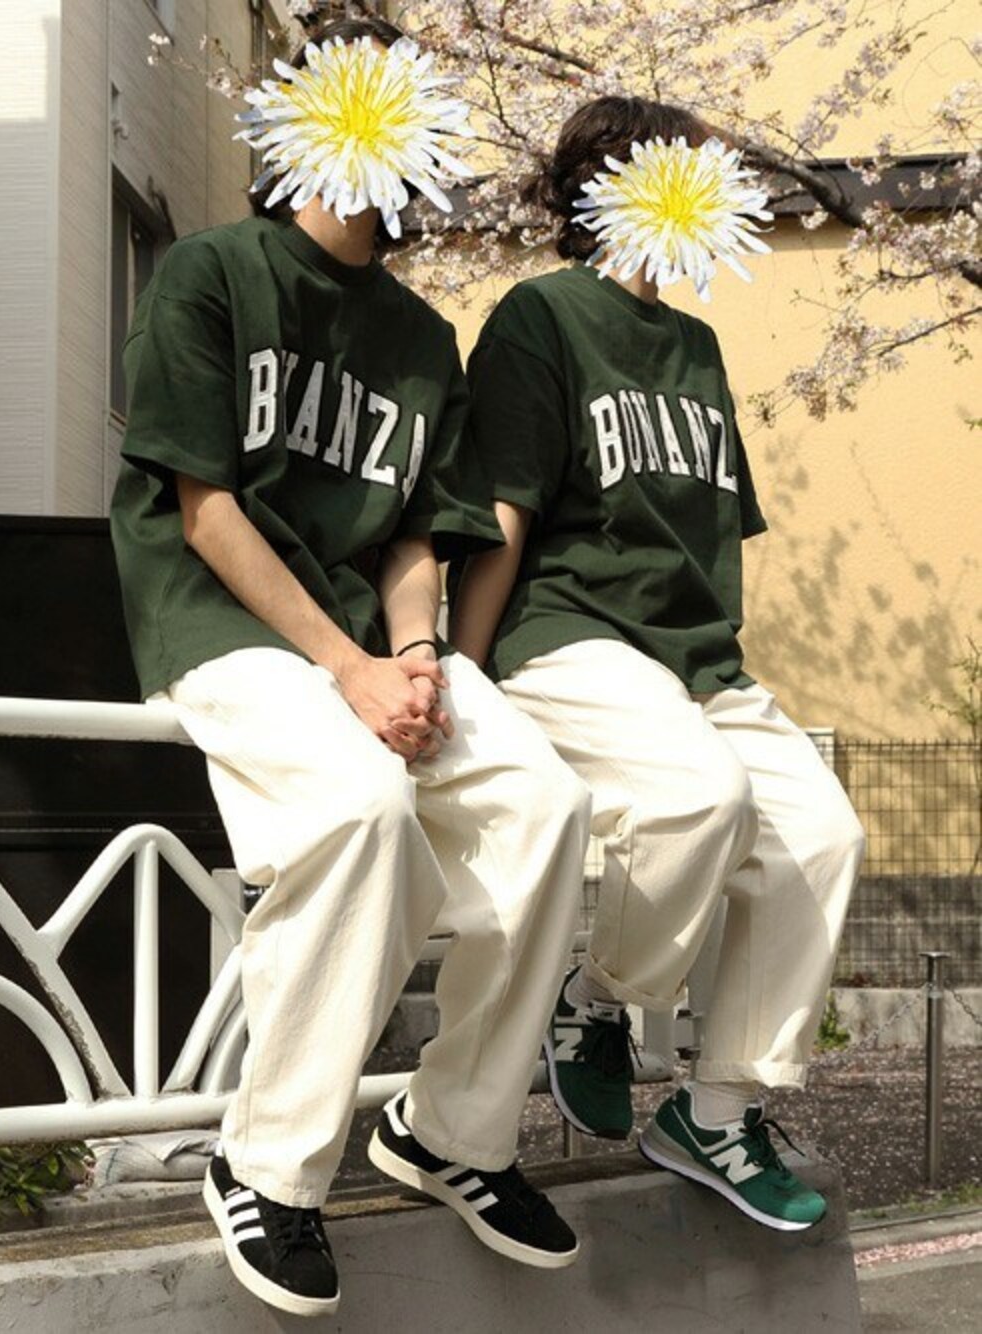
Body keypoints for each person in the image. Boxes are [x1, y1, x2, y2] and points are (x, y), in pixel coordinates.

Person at [110, 18, 590, 1318]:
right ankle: (266, 1164)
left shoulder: (422, 340)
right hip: (222, 620)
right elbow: (205, 511)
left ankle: (450, 1129)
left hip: (366, 639)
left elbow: (411, 537)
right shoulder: (211, 273)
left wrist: (418, 659)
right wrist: (349, 669)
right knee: (366, 812)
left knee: (547, 804)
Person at [452, 96, 866, 1234]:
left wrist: (715, 661)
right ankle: (597, 1002)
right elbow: (504, 507)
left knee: (820, 835)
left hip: (694, 658)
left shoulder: (697, 347)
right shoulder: (540, 315)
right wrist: (462, 672)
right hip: (567, 628)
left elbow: (714, 534)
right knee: (697, 797)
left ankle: (714, 1112)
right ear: (618, 186)